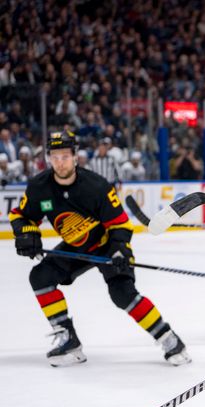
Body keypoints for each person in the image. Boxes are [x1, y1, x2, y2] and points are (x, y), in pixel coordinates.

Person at [9, 131, 191, 367]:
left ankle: (169, 339)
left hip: (106, 245)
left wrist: (120, 251)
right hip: (75, 247)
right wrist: (26, 234)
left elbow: (120, 225)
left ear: (75, 157)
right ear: (48, 159)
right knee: (40, 276)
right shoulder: (39, 187)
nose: (60, 162)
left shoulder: (96, 186)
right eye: (55, 157)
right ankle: (68, 339)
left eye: (65, 156)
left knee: (122, 294)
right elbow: (21, 216)